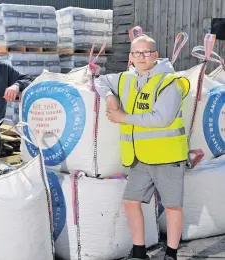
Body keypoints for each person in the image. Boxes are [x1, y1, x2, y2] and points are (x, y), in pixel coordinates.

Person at [95, 35, 189, 260]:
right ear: (130, 57)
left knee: (172, 205)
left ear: (155, 55)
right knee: (130, 200)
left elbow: (162, 118)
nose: (141, 57)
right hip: (140, 157)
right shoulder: (126, 78)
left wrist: (122, 117)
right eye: (136, 53)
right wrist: (109, 98)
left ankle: (172, 254)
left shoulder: (169, 81)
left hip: (167, 156)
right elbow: (101, 80)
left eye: (146, 52)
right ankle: (139, 251)